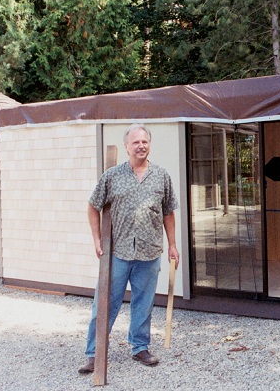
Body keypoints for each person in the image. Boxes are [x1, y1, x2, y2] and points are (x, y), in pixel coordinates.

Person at [79, 123, 180, 374]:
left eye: (144, 142)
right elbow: (93, 206)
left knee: (143, 303)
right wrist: (96, 239)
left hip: (150, 252)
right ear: (127, 147)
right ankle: (94, 353)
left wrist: (173, 245)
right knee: (104, 304)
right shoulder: (112, 176)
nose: (141, 146)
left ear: (149, 145)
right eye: (136, 142)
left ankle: (140, 347)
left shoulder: (161, 176)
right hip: (117, 253)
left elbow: (168, 212)